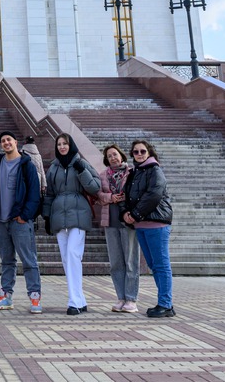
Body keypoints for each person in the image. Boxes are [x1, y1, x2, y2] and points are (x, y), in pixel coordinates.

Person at [43, 133, 100, 315]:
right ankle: (80, 299)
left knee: (73, 254)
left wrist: (81, 170)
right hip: (59, 214)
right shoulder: (53, 167)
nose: (62, 147)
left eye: (65, 144)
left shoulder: (81, 163)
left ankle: (74, 301)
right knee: (67, 259)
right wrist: (46, 216)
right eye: (59, 144)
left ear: (71, 145)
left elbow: (95, 187)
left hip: (78, 214)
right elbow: (49, 193)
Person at [0, 131, 42, 313]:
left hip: (20, 221)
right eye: (3, 141)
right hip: (1, 221)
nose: (6, 143)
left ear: (16, 142)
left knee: (29, 260)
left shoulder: (27, 165)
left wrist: (25, 216)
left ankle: (34, 297)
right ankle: (5, 296)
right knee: (7, 260)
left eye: (9, 140)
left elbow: (35, 193)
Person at [122, 138, 175, 318]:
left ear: (149, 153)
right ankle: (166, 302)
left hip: (156, 223)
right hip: (141, 225)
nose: (139, 154)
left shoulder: (155, 170)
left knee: (161, 264)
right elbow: (126, 196)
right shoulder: (134, 173)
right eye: (135, 152)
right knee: (154, 264)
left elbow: (154, 195)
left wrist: (135, 214)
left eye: (142, 151)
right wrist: (126, 214)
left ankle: (165, 304)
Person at [96, 144, 139, 312]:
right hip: (110, 222)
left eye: (115, 154)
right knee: (115, 263)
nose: (113, 157)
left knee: (130, 261)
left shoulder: (132, 172)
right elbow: (98, 196)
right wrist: (110, 197)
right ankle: (121, 298)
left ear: (121, 156)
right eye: (109, 156)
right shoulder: (103, 175)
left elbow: (137, 192)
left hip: (128, 222)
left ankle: (131, 299)